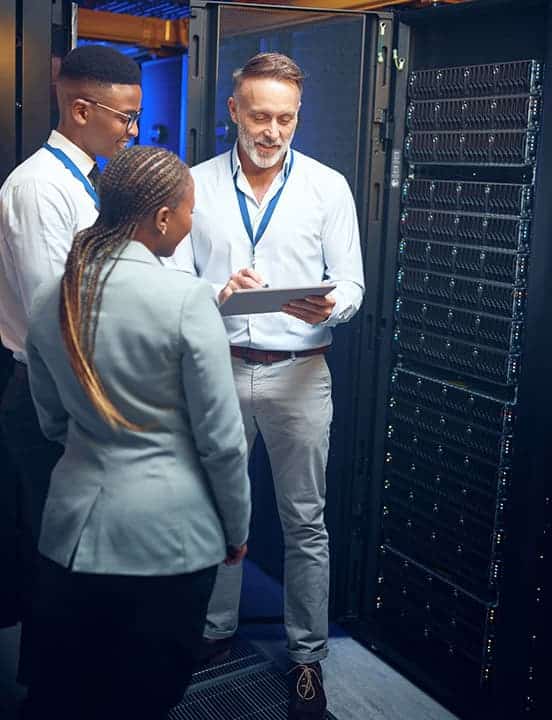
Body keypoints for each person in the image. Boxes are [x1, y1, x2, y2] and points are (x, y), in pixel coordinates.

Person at [24, 145, 251, 720]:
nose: (192, 221)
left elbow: (50, 420)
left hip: (71, 534)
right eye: (190, 210)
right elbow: (222, 441)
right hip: (168, 541)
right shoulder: (185, 299)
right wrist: (236, 528)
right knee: (144, 698)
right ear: (163, 218)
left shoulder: (54, 295)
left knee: (69, 693)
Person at [172, 52, 365, 720]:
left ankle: (307, 659)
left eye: (285, 118)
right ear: (234, 111)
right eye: (260, 115)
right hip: (219, 367)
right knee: (220, 512)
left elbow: (353, 283)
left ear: (297, 117)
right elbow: (168, 281)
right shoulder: (194, 185)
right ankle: (215, 637)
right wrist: (214, 292)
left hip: (300, 373)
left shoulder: (327, 188)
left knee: (305, 521)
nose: (272, 130)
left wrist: (331, 306)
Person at [0, 44, 142, 686]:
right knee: (56, 550)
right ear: (82, 109)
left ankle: (78, 676)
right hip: (46, 392)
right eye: (124, 117)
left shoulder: (84, 180)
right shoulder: (37, 187)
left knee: (81, 547)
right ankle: (52, 691)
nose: (132, 130)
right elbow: (52, 314)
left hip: (76, 387)